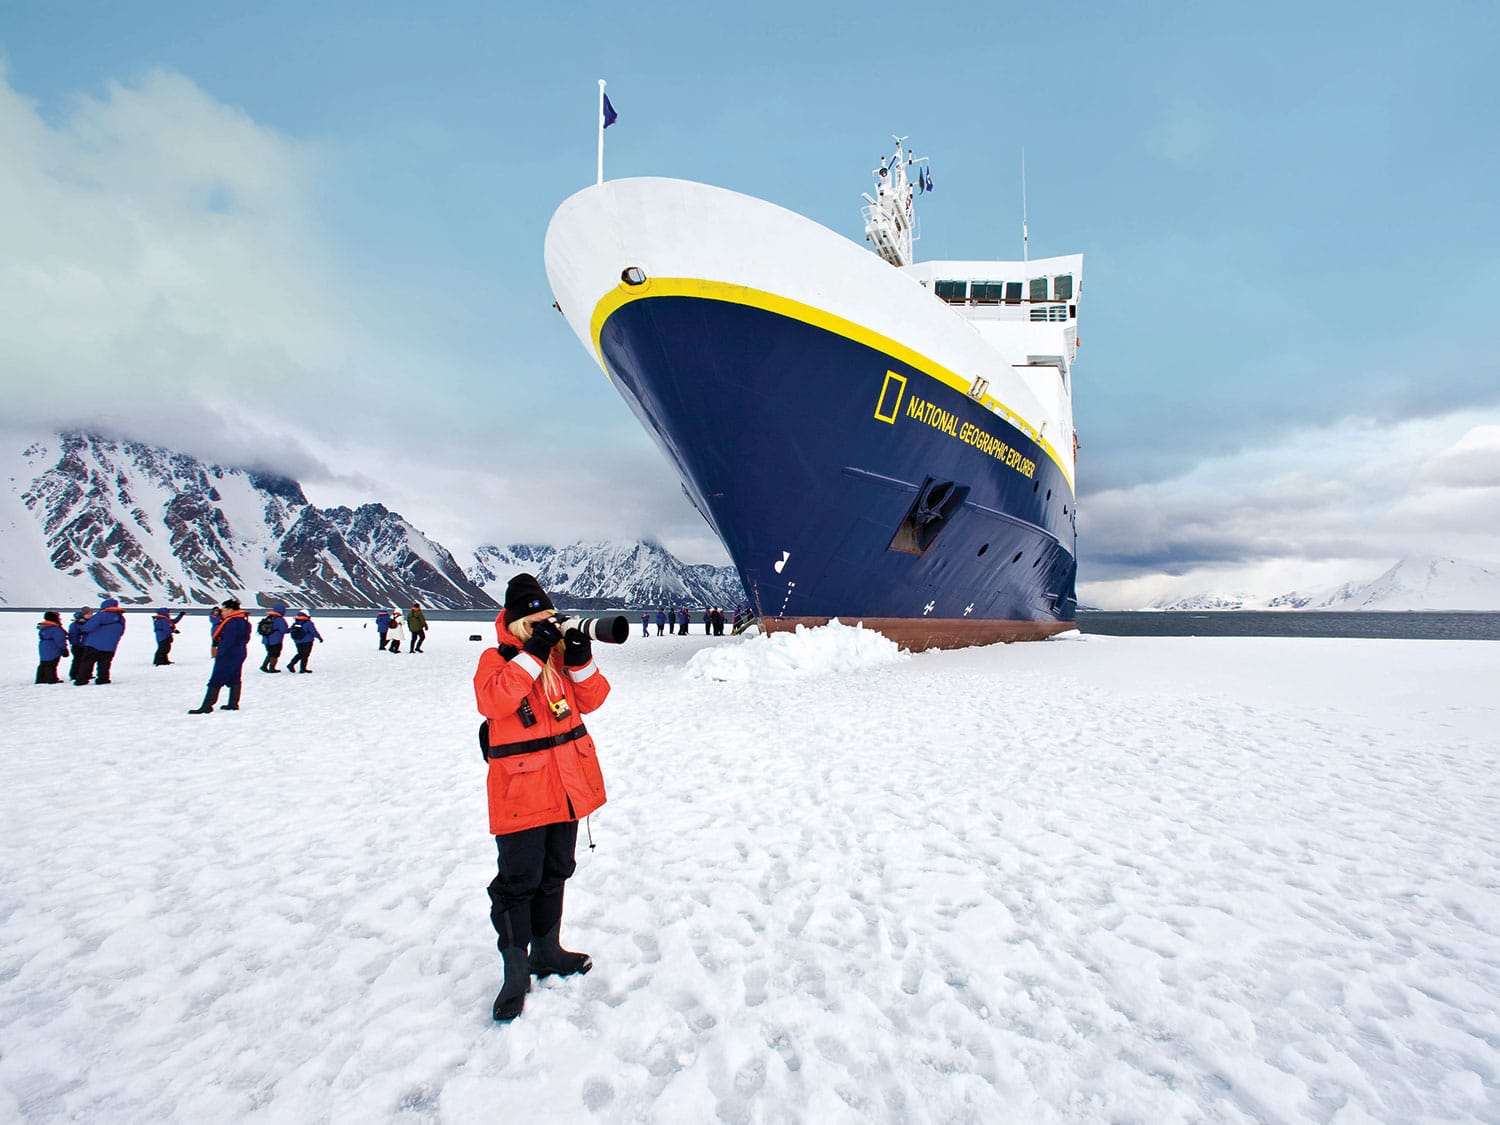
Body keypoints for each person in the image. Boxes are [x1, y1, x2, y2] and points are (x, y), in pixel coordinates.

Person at [474, 573, 610, 1023]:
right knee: (517, 883)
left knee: (556, 870)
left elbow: (594, 698)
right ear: (519, 624)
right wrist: (533, 654)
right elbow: (494, 702)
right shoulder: (496, 660)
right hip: (521, 792)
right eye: (540, 621)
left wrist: (580, 655)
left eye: (551, 619)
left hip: (566, 786)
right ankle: (515, 973)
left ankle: (547, 951)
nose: (549, 628)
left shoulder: (556, 661)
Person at [189, 598, 251, 714]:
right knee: (235, 678)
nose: (221, 612)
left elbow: (228, 640)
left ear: (230, 610)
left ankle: (207, 706)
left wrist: (220, 653)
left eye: (223, 610)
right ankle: (233, 703)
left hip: (229, 653)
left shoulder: (232, 622)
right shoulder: (244, 621)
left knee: (216, 678)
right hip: (240, 652)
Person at [75, 597, 126, 685]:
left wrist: (82, 626)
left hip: (93, 644)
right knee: (105, 663)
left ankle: (82, 680)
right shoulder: (121, 618)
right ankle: (103, 679)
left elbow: (87, 628)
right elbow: (121, 632)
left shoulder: (100, 616)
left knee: (87, 662)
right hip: (110, 645)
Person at [36, 611, 68, 684]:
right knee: (52, 664)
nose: (60, 619)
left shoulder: (43, 627)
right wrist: (64, 649)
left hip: (43, 646)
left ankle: (41, 679)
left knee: (43, 663)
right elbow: (60, 640)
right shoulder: (55, 629)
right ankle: (51, 679)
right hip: (53, 647)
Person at [258, 603, 290, 673]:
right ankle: (272, 668)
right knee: (275, 654)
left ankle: (264, 666)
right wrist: (291, 630)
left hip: (266, 640)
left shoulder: (268, 618)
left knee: (270, 653)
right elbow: (284, 630)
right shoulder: (280, 620)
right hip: (276, 640)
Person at [66, 608, 91, 682]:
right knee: (78, 660)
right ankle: (74, 674)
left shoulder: (87, 623)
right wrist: (75, 644)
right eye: (88, 614)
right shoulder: (75, 625)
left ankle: (84, 673)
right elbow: (73, 635)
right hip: (78, 645)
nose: (90, 615)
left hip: (85, 644)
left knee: (85, 660)